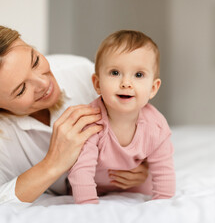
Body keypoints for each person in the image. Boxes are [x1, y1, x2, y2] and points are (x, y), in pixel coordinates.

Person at [0, 22, 149, 206]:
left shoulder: (81, 72)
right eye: (21, 89)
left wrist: (143, 166)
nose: (44, 83)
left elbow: (145, 124)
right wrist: (52, 164)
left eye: (36, 61)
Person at [68, 30, 176, 204]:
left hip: (137, 188)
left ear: (153, 88)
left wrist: (162, 204)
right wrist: (87, 206)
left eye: (138, 75)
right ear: (97, 83)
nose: (126, 83)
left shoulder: (156, 126)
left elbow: (164, 171)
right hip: (96, 188)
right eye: (115, 73)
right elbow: (81, 169)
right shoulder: (91, 121)